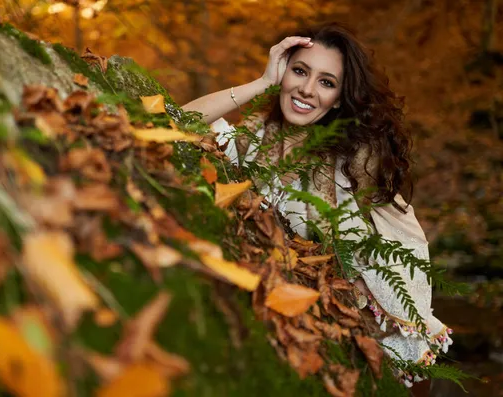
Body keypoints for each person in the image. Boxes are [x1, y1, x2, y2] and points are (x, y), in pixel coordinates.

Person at [182, 23, 452, 394]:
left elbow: (356, 248)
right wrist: (262, 82)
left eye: (327, 82)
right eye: (299, 71)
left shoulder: (352, 158)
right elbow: (177, 121)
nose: (307, 89)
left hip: (380, 328)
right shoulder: (254, 136)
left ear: (340, 98)